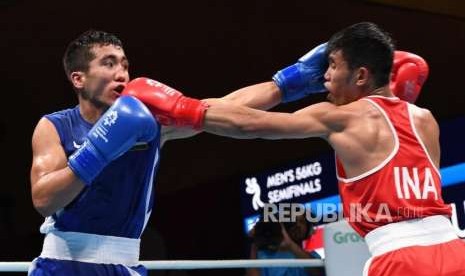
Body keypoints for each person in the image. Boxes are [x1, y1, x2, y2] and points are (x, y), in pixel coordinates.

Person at [125, 22, 465, 275]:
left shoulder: (341, 117)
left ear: (361, 75)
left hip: (401, 259)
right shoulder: (426, 119)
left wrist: (183, 106)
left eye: (332, 66)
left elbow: (250, 125)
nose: (323, 77)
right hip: (455, 250)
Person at [29, 30, 285, 275]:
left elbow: (226, 106)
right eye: (109, 64)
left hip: (125, 265)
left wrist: (286, 84)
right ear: (79, 78)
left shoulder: (150, 123)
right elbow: (44, 200)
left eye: (125, 65)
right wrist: (97, 150)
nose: (122, 74)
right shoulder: (56, 126)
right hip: (63, 264)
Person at [247, 213, 321, 276]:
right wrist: (255, 242)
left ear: (308, 228)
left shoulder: (313, 256)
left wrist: (290, 245)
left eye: (302, 222)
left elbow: (318, 273)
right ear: (283, 225)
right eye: (293, 221)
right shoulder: (263, 257)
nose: (297, 225)